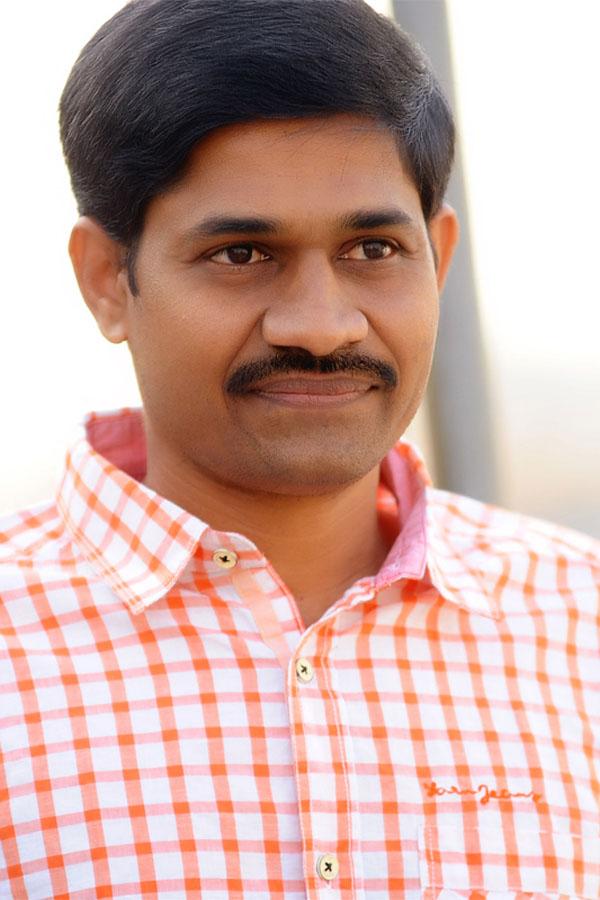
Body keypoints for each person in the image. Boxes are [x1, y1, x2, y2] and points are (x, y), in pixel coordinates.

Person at [0, 0, 598, 896]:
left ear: (438, 259)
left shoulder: (581, 626)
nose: (321, 325)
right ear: (106, 281)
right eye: (243, 254)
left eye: (372, 248)